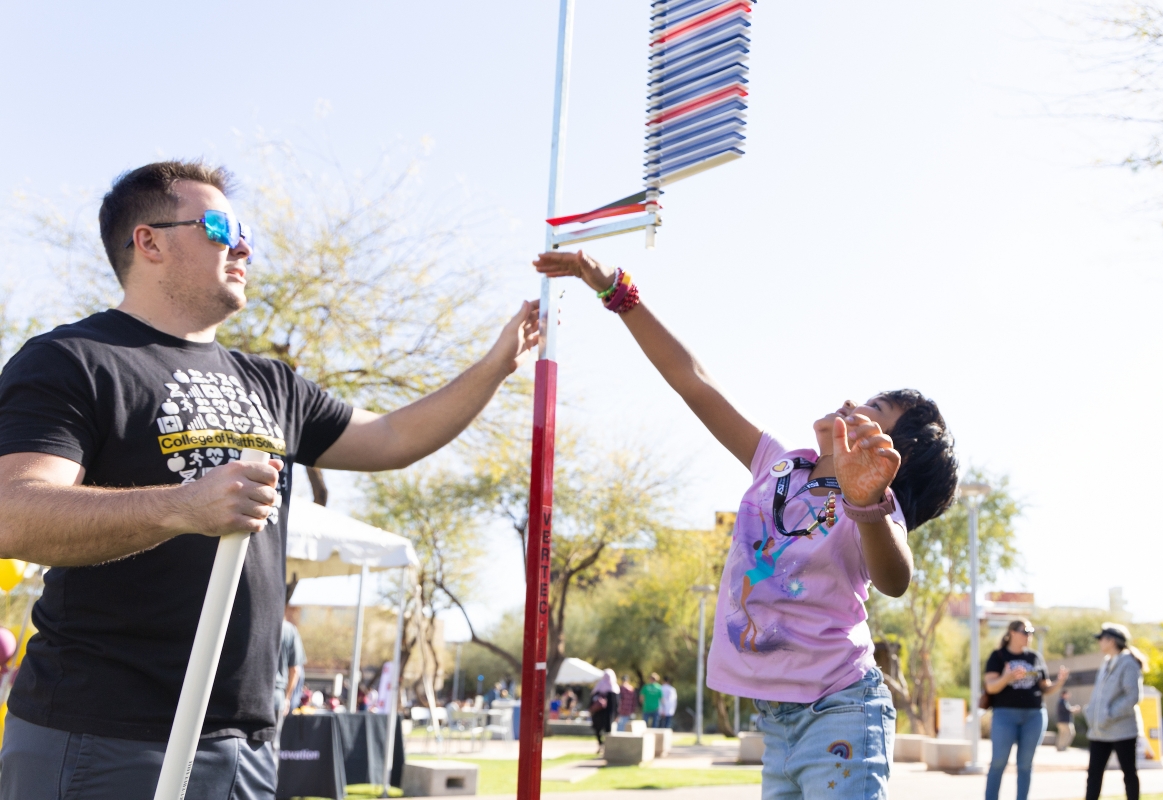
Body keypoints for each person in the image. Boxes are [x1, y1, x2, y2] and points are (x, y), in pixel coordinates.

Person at [0, 161, 540, 800]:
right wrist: (183, 506)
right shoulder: (74, 360)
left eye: (245, 227)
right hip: (106, 735)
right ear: (148, 241)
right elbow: (15, 513)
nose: (244, 244)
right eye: (221, 226)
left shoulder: (271, 382)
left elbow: (394, 439)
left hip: (246, 744)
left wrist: (496, 364)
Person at [533, 250, 960, 799]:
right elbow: (694, 382)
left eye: (872, 407)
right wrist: (616, 291)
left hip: (842, 713)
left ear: (887, 454)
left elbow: (896, 578)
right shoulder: (779, 465)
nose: (851, 400)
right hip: (777, 726)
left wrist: (868, 503)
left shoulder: (873, 511)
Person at [983, 619, 1069, 800]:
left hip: (1034, 715)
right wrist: (1006, 677)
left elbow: (1045, 688)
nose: (1029, 635)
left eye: (1031, 632)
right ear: (1012, 633)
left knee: (1025, 764)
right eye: (1025, 631)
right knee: (998, 762)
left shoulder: (1034, 657)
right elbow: (991, 687)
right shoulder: (998, 656)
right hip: (1005, 715)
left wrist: (1059, 682)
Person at [1085, 622, 1148, 800]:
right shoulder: (1106, 663)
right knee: (1094, 775)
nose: (1099, 643)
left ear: (1111, 641)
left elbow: (1132, 696)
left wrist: (1109, 714)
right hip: (1099, 731)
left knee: (1129, 773)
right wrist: (1091, 712)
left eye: (1101, 639)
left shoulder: (1128, 663)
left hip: (1123, 731)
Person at [590, 669, 619, 751]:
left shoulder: (599, 686)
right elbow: (616, 704)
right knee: (607, 730)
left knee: (598, 730)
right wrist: (616, 715)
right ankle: (605, 746)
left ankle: (601, 745)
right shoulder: (614, 688)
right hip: (608, 715)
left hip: (598, 714)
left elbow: (592, 700)